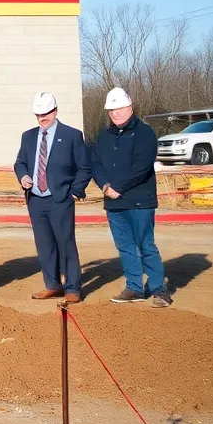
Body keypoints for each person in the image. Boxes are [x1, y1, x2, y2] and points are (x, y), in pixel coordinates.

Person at [92, 87, 171, 307]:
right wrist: (105, 185)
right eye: (111, 110)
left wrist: (119, 187)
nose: (115, 113)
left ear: (129, 107)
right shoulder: (104, 136)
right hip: (113, 202)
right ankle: (134, 288)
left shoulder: (144, 133)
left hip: (139, 201)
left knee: (145, 244)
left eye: (119, 109)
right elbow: (95, 163)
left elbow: (142, 166)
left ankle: (159, 289)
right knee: (125, 246)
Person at [13, 92, 91, 304]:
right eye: (38, 114)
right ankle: (52, 285)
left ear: (55, 110)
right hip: (36, 200)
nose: (41, 118)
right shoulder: (28, 136)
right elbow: (20, 163)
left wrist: (75, 190)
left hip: (60, 199)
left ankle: (72, 287)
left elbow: (84, 167)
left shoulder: (72, 135)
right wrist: (24, 176)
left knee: (65, 243)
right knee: (44, 244)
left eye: (45, 113)